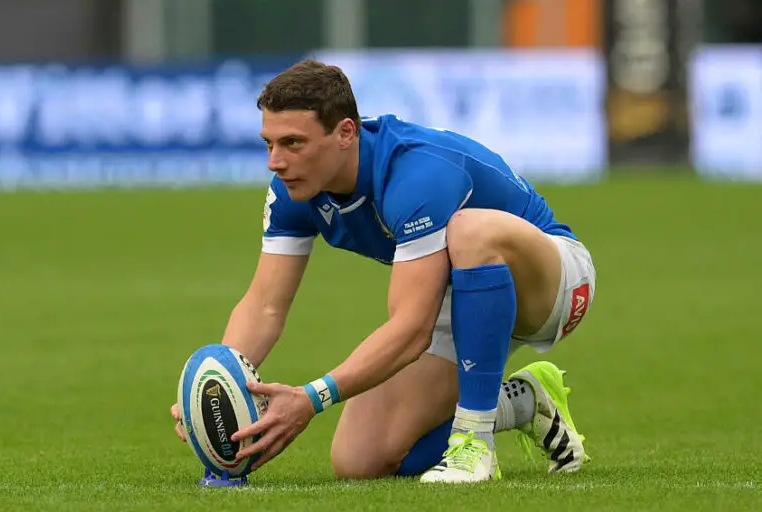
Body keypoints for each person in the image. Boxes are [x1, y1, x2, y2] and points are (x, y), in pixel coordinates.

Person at [170, 59, 596, 483]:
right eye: (269, 144)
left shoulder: (414, 174)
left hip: (551, 281)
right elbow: (265, 305)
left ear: (345, 133)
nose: (275, 162)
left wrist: (311, 398)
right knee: (359, 460)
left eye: (293, 143)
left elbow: (411, 328)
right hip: (454, 292)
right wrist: (217, 384)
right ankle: (523, 403)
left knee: (469, 231)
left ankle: (475, 441)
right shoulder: (293, 190)